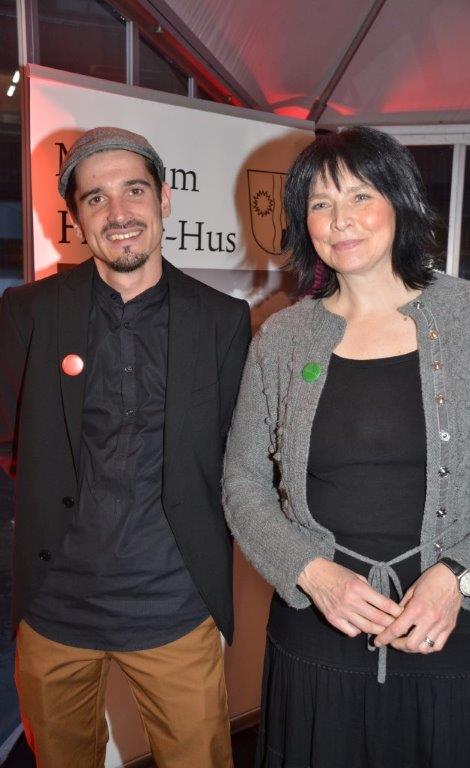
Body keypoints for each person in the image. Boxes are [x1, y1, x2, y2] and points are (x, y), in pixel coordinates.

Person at [223, 127, 470, 768]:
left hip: (451, 632)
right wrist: (311, 573)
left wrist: (458, 577)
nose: (340, 220)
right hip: (317, 632)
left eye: (359, 196)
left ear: (400, 202)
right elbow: (242, 480)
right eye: (320, 204)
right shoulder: (282, 338)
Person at [0, 126, 251, 768]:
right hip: (55, 610)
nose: (118, 213)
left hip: (175, 606)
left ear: (164, 198)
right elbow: (9, 442)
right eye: (96, 198)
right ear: (77, 218)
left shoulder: (222, 321)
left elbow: (237, 457)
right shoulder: (28, 312)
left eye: (134, 191)